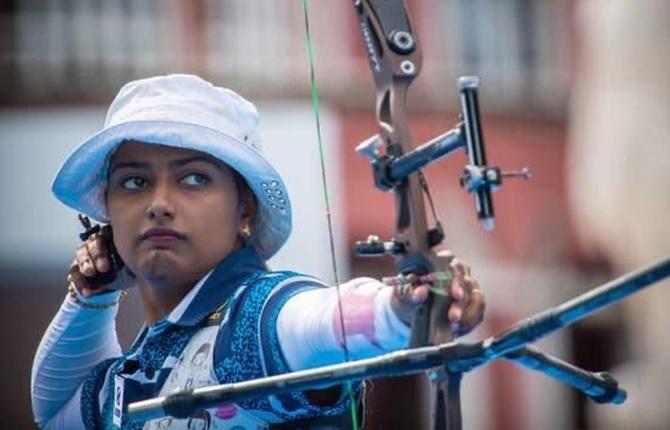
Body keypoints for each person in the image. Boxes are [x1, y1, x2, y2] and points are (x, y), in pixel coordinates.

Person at [30, 74, 485, 429]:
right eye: (134, 182)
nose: (159, 204)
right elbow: (54, 414)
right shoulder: (140, 366)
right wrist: (91, 297)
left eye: (193, 179)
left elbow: (317, 323)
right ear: (108, 211)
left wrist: (404, 307)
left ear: (244, 206)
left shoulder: (253, 317)